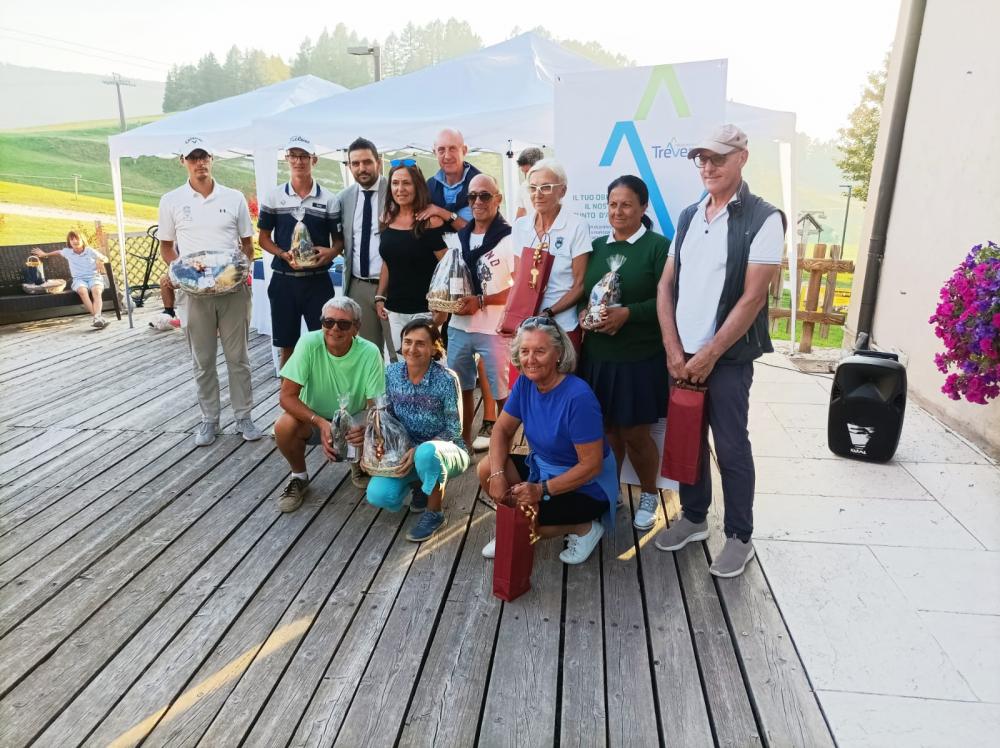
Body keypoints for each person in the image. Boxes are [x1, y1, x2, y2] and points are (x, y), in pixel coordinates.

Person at [655, 124, 786, 578]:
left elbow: (753, 298)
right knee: (687, 440)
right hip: (681, 355)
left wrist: (709, 354)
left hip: (727, 358)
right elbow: (666, 285)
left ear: (742, 158)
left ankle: (739, 537)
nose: (708, 167)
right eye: (702, 159)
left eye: (718, 158)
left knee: (731, 447)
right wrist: (673, 348)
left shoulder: (764, 218)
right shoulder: (690, 215)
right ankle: (694, 518)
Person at [478, 317, 618, 565]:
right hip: (542, 470)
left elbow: (592, 465)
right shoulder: (525, 383)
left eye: (540, 351)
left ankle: (584, 528)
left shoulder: (578, 398)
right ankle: (516, 525)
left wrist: (540, 490)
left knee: (530, 523)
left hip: (587, 486)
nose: (530, 359)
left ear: (559, 354)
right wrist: (498, 475)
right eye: (525, 351)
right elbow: (501, 430)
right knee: (487, 468)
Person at [158, 136, 262, 446]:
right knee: (202, 360)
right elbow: (166, 248)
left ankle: (243, 416)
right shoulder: (171, 200)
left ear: (212, 159)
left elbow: (247, 245)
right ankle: (209, 419)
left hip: (232, 292)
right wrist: (183, 272)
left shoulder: (233, 197)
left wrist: (238, 272)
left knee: (238, 358)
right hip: (194, 294)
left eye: (203, 156)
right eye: (193, 157)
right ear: (183, 161)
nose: (199, 162)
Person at [578, 175, 670, 531]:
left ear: (643, 207)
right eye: (613, 204)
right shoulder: (597, 246)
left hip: (638, 358)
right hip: (598, 356)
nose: (618, 211)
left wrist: (628, 314)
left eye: (627, 204)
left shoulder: (658, 247)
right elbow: (586, 292)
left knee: (635, 434)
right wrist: (585, 315)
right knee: (606, 431)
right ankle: (610, 490)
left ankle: (649, 494)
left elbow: (668, 301)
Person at [274, 296, 385, 512]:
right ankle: (299, 476)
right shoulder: (308, 343)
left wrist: (366, 429)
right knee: (283, 426)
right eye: (328, 322)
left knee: (373, 425)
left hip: (354, 418)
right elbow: (286, 397)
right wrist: (321, 423)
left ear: (356, 328)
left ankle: (359, 461)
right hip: (313, 418)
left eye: (343, 324)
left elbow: (376, 406)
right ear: (322, 323)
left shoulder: (370, 351)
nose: (334, 328)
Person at [366, 317, 470, 542]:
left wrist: (420, 448)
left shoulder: (446, 379)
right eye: (408, 342)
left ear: (434, 348)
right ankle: (420, 487)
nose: (412, 349)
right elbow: (389, 416)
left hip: (447, 450)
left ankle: (435, 513)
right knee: (377, 495)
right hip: (406, 452)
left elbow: (454, 429)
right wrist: (379, 436)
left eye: (420, 343)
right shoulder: (391, 373)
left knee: (426, 454)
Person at [258, 136, 343, 367]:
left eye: (304, 156)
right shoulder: (273, 196)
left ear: (314, 160)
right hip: (284, 281)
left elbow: (339, 242)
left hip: (318, 282)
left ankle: (322, 388)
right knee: (287, 345)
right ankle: (287, 390)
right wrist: (282, 254)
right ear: (286, 159)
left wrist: (330, 253)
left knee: (325, 342)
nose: (298, 161)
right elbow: (263, 238)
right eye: (293, 156)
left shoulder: (329, 199)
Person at [447, 174, 515, 450]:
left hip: (494, 328)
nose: (477, 201)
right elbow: (449, 278)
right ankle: (462, 443)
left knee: (502, 393)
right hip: (459, 326)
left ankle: (505, 449)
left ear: (498, 199)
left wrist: (482, 300)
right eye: (472, 196)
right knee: (459, 389)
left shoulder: (510, 238)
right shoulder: (458, 238)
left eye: (484, 195)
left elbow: (519, 289)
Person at [511, 158, 592, 353]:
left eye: (546, 187)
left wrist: (549, 312)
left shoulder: (577, 226)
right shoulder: (520, 226)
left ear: (562, 191)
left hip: (562, 327)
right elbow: (518, 278)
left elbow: (580, 285)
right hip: (527, 327)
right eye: (533, 188)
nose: (537, 194)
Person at [374, 161, 448, 352]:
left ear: (417, 186)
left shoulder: (430, 221)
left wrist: (443, 308)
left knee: (428, 363)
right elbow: (388, 262)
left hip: (426, 311)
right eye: (395, 183)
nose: (400, 189)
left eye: (406, 183)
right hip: (395, 310)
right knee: (402, 362)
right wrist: (380, 296)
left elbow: (447, 266)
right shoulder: (386, 219)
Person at [339, 137, 395, 361]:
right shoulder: (344, 198)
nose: (361, 168)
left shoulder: (395, 191)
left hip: (392, 286)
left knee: (399, 353)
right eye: (355, 163)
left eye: (367, 162)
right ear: (350, 166)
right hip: (358, 286)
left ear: (378, 162)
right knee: (367, 355)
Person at [32, 231, 109, 328]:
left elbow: (105, 258)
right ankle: (97, 317)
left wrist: (99, 261)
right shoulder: (68, 252)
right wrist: (45, 254)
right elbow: (58, 252)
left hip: (94, 277)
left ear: (82, 240)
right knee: (82, 291)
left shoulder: (89, 251)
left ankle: (97, 318)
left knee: (96, 291)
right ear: (69, 242)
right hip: (79, 279)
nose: (75, 241)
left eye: (77, 239)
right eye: (72, 239)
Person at [416, 128, 481, 232]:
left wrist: (441, 212)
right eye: (441, 150)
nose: (447, 156)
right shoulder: (430, 186)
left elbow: (481, 231)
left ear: (464, 151)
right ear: (435, 152)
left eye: (452, 149)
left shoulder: (481, 185)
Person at [515, 147, 544, 219]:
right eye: (523, 172)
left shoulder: (554, 186)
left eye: (528, 172)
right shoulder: (523, 186)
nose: (526, 176)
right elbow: (520, 215)